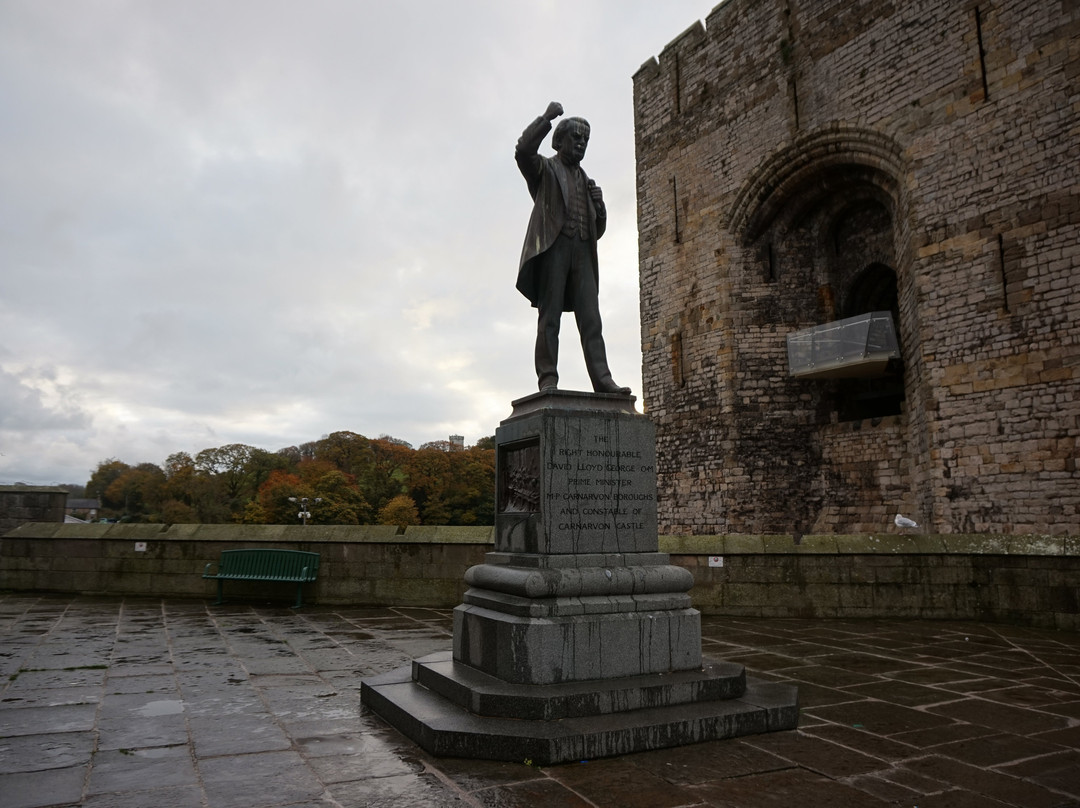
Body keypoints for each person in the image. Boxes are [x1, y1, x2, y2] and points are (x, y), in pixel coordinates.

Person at [515, 101, 631, 395]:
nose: (581, 143)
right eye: (576, 137)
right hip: (554, 248)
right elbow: (523, 151)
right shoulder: (545, 169)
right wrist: (546, 118)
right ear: (560, 141)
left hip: (582, 253)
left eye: (585, 139)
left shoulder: (587, 180)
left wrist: (600, 205)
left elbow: (597, 230)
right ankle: (548, 378)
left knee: (592, 320)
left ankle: (602, 379)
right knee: (549, 318)